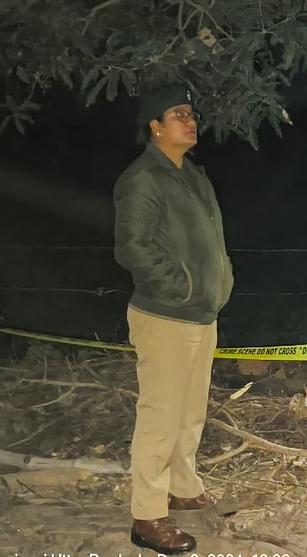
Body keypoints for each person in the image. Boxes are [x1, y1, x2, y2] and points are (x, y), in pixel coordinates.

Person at [114, 85, 234, 553]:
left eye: (192, 113)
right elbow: (132, 248)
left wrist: (218, 282)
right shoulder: (143, 178)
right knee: (161, 416)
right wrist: (181, 286)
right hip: (166, 315)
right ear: (155, 126)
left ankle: (183, 486)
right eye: (178, 114)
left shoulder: (193, 176)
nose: (190, 120)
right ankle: (146, 516)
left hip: (202, 314)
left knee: (190, 411)